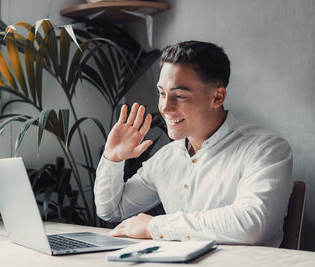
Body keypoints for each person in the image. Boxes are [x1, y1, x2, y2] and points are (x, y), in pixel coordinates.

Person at [94, 40, 293, 247]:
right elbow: (111, 210)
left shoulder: (266, 148)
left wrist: (154, 227)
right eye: (162, 93)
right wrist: (112, 159)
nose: (165, 107)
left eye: (179, 96)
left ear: (217, 97)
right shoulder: (167, 157)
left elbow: (252, 226)